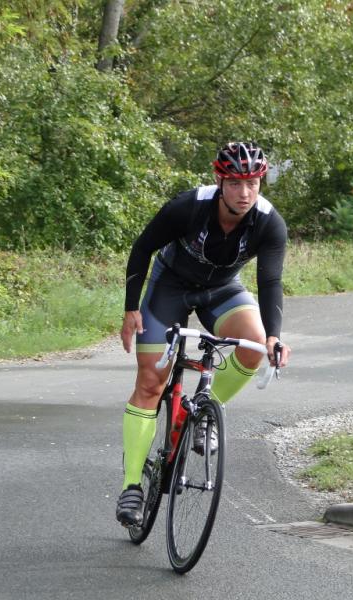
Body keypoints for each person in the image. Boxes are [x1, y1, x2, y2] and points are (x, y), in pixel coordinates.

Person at [116, 141, 291, 526]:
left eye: (252, 183)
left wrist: (274, 336)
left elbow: (270, 281)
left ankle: (203, 414)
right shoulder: (188, 206)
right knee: (150, 381)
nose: (244, 193)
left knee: (253, 346)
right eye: (235, 183)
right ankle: (132, 486)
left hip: (222, 289)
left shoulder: (268, 222)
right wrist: (131, 308)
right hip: (170, 287)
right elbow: (143, 248)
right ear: (219, 180)